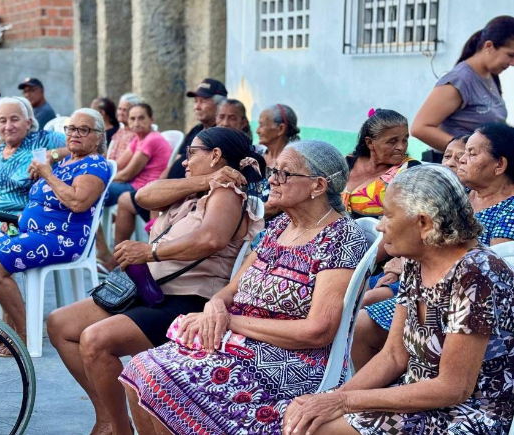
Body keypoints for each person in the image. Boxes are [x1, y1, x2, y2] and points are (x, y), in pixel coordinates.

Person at [120, 140, 366, 435]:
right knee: (139, 368)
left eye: (285, 173)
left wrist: (230, 322)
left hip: (289, 359)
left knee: (161, 378)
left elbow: (317, 331)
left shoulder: (341, 237)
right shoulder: (278, 228)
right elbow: (231, 289)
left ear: (318, 186)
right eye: (275, 170)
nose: (272, 179)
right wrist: (213, 307)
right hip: (240, 341)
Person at [48, 127, 266, 435]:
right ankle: (109, 419)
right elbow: (143, 195)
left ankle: (120, 430)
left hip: (189, 301)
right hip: (151, 291)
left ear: (216, 155)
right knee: (60, 324)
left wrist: (149, 252)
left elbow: (210, 239)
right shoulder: (196, 186)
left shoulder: (228, 193)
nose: (185, 160)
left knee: (96, 341)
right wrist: (203, 180)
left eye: (192, 153)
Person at [285, 164, 514, 435]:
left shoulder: (476, 273)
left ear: (424, 223)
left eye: (388, 215)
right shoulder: (417, 262)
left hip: (468, 413)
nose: (381, 225)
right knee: (305, 417)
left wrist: (343, 401)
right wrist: (327, 400)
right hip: (417, 397)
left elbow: (453, 388)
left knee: (315, 430)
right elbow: (394, 355)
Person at [353, 122, 514, 371]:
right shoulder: (459, 194)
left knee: (363, 323)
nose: (461, 160)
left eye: (472, 153)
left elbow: (495, 268)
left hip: (465, 301)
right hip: (423, 282)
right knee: (362, 314)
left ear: (499, 165)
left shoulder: (508, 211)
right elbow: (417, 237)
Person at [0, 108, 112, 355]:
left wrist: (47, 174)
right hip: (33, 231)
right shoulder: (66, 161)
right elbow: (43, 204)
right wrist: (17, 221)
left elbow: (78, 202)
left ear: (99, 137)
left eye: (84, 129)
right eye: (71, 128)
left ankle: (25, 332)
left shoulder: (94, 166)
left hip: (62, 239)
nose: (75, 134)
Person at [0, 96, 66, 311]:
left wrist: (51, 156)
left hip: (27, 218)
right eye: (2, 121)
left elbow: (79, 147)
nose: (8, 126)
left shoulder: (42, 141)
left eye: (14, 119)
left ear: (28, 121)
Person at [412, 16, 514, 152]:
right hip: (457, 168)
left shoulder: (490, 76)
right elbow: (420, 128)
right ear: (489, 46)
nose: (513, 63)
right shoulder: (460, 79)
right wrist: (469, 152)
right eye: (510, 55)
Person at [97, 103, 172, 270]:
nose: (136, 122)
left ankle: (105, 253)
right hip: (133, 186)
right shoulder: (138, 139)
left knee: (90, 193)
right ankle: (115, 256)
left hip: (147, 189)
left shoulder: (152, 139)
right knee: (92, 193)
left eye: (141, 118)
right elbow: (118, 166)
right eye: (132, 118)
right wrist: (99, 173)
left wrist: (96, 179)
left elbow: (126, 174)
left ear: (152, 119)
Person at [343, 109, 420, 219]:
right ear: (370, 143)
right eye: (392, 141)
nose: (401, 147)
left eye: (405, 140)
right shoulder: (347, 162)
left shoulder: (410, 171)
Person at [166, 78, 228, 180]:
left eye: (202, 101)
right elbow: (176, 160)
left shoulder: (219, 135)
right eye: (196, 101)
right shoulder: (196, 129)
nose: (197, 107)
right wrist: (160, 182)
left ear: (219, 105)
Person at [107, 93, 143, 161]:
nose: (120, 112)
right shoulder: (121, 130)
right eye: (119, 109)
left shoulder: (138, 134)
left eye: (125, 110)